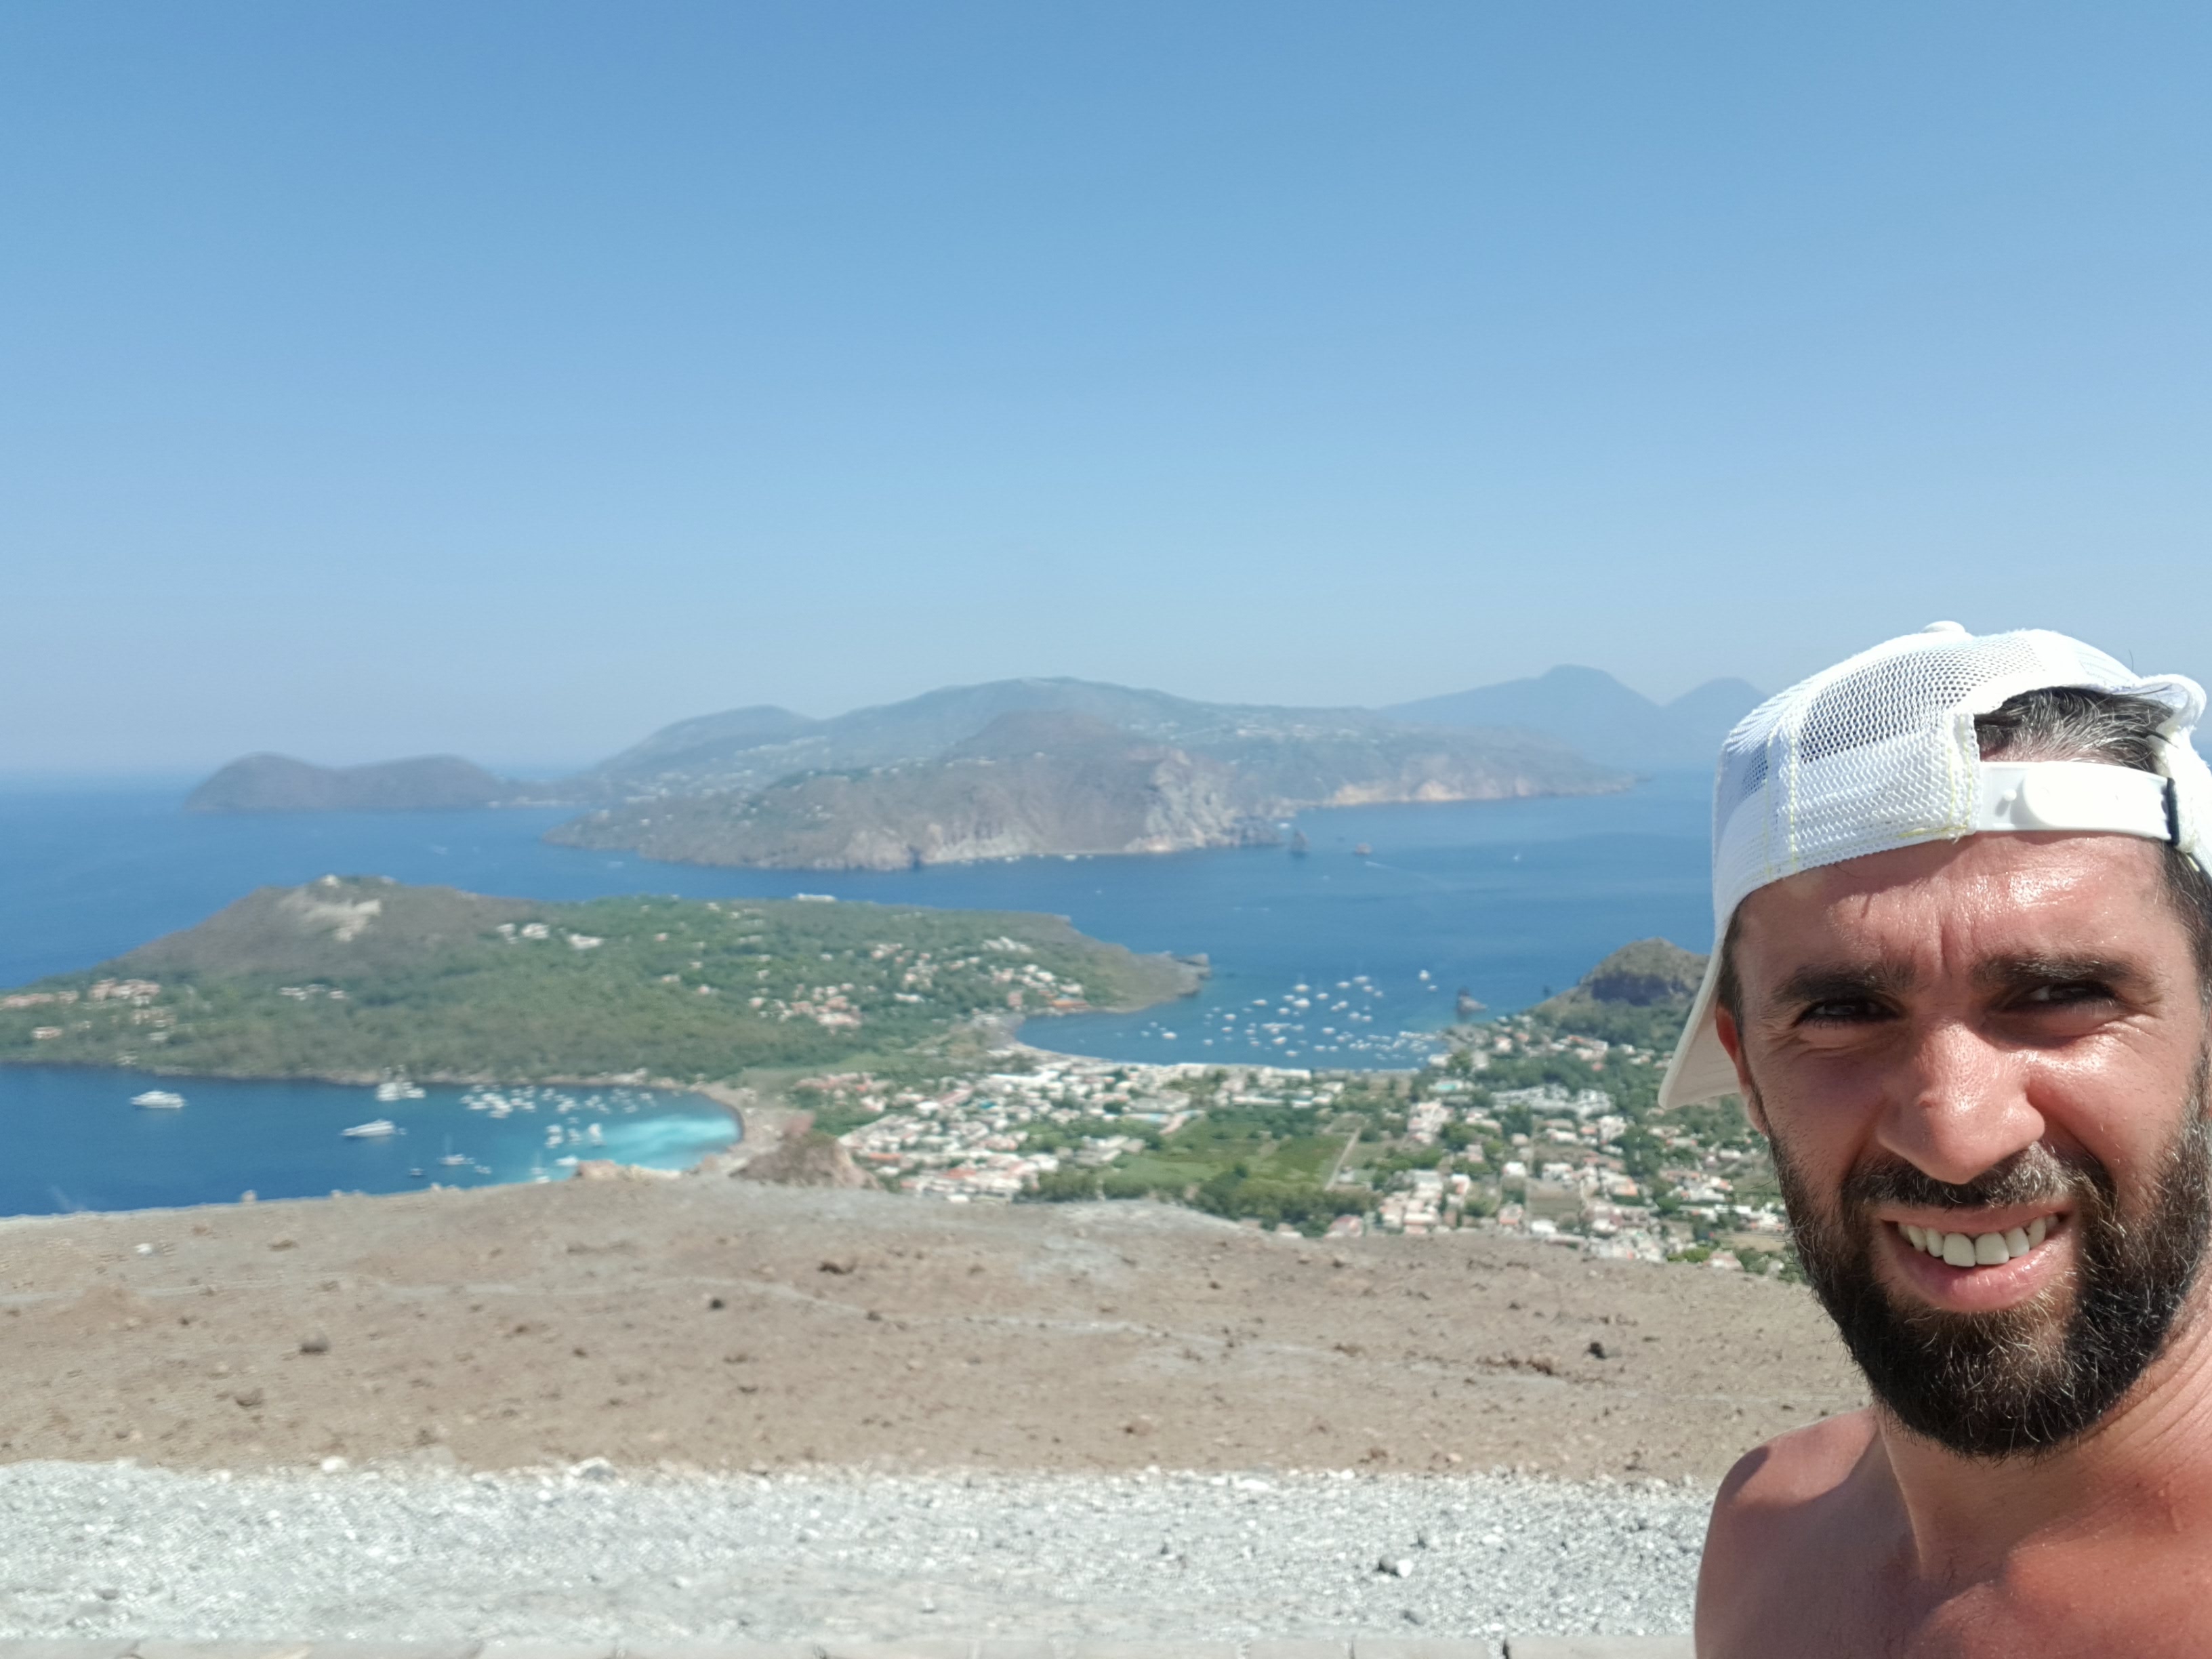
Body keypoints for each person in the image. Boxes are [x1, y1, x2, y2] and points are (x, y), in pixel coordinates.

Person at [1673, 623, 2212, 1657]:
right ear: (1747, 1070)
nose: (1956, 1136)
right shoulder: (1763, 1535)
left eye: (2061, 995)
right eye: (1842, 1013)